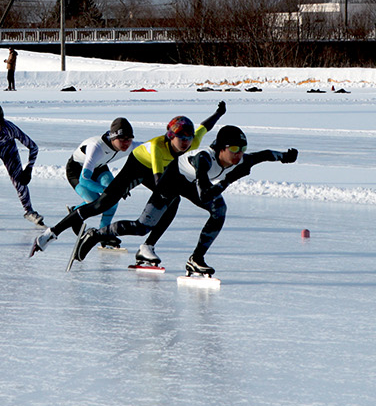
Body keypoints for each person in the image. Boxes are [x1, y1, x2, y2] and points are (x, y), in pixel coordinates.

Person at [72, 124, 297, 275]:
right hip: (173, 181)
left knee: (219, 210)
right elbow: (204, 192)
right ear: (220, 149)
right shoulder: (204, 160)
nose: (239, 154)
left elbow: (266, 154)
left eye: (242, 149)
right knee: (143, 227)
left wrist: (285, 157)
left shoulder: (241, 160)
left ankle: (196, 258)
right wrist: (228, 181)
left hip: (194, 186)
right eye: (234, 149)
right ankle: (97, 234)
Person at [32, 101, 226, 261]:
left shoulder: (194, 141)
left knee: (173, 201)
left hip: (156, 171)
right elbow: (159, 180)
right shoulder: (159, 147)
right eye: (181, 137)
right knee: (101, 204)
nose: (186, 142)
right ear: (170, 136)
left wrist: (219, 113)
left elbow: (204, 127)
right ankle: (51, 233)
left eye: (189, 138)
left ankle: (147, 246)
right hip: (138, 166)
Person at [63, 117, 136, 245]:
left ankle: (104, 234)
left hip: (99, 167)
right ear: (113, 138)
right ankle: (76, 213)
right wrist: (107, 191)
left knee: (111, 200)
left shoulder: (131, 146)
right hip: (77, 171)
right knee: (95, 202)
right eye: (122, 139)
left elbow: (152, 147)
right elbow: (84, 180)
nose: (126, 143)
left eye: (129, 139)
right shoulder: (96, 147)